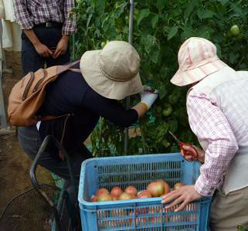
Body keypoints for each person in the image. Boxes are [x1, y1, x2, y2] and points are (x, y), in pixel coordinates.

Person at [161, 37, 248, 231]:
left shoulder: (200, 93)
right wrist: (205, 156)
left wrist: (200, 188)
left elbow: (224, 145)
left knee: (215, 222)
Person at [17, 41, 158, 183]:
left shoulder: (81, 67)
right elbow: (125, 119)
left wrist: (137, 90)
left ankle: (72, 199)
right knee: (87, 179)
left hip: (55, 131)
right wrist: (146, 102)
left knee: (86, 170)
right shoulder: (90, 95)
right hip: (40, 139)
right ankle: (73, 204)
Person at [13, 0, 76, 75]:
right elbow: (20, 13)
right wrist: (37, 44)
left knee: (60, 78)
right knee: (32, 78)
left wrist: (64, 39)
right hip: (32, 35)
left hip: (58, 35)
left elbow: (71, 11)